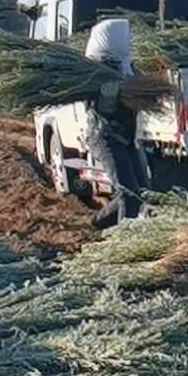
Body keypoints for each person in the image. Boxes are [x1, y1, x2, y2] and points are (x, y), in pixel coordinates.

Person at [82, 20, 147, 229]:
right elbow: (101, 110)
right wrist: (111, 94)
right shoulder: (98, 71)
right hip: (106, 138)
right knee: (128, 194)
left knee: (143, 191)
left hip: (126, 138)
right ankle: (123, 245)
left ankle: (97, 224)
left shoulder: (125, 65)